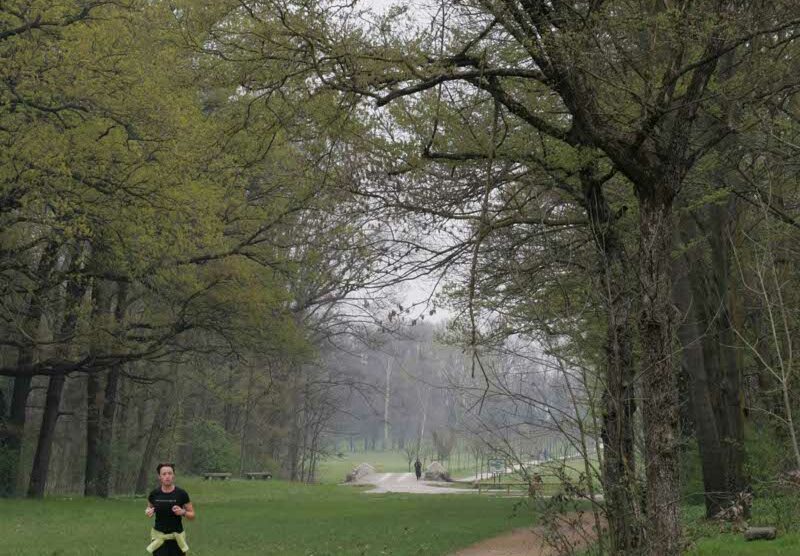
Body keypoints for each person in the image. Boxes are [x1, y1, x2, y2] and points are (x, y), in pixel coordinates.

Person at [145, 463, 195, 555]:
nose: (167, 476)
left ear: (173, 476)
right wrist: (148, 512)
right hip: (159, 538)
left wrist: (182, 512)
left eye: (170, 473)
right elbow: (148, 508)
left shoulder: (181, 494)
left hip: (177, 539)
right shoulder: (154, 494)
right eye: (164, 474)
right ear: (159, 477)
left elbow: (192, 515)